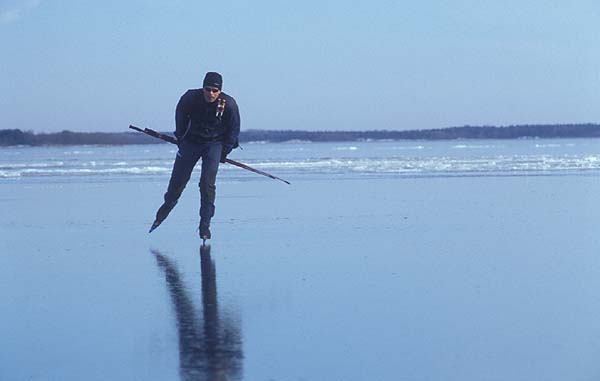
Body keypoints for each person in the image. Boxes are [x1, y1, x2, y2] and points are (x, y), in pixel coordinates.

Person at [150, 72, 240, 240]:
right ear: (203, 88)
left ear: (220, 91)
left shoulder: (229, 104)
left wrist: (224, 151)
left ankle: (205, 224)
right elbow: (180, 115)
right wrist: (181, 137)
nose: (211, 94)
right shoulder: (190, 98)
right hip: (191, 142)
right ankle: (165, 209)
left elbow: (234, 130)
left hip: (214, 144)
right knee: (178, 182)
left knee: (207, 184)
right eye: (208, 89)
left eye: (215, 90)